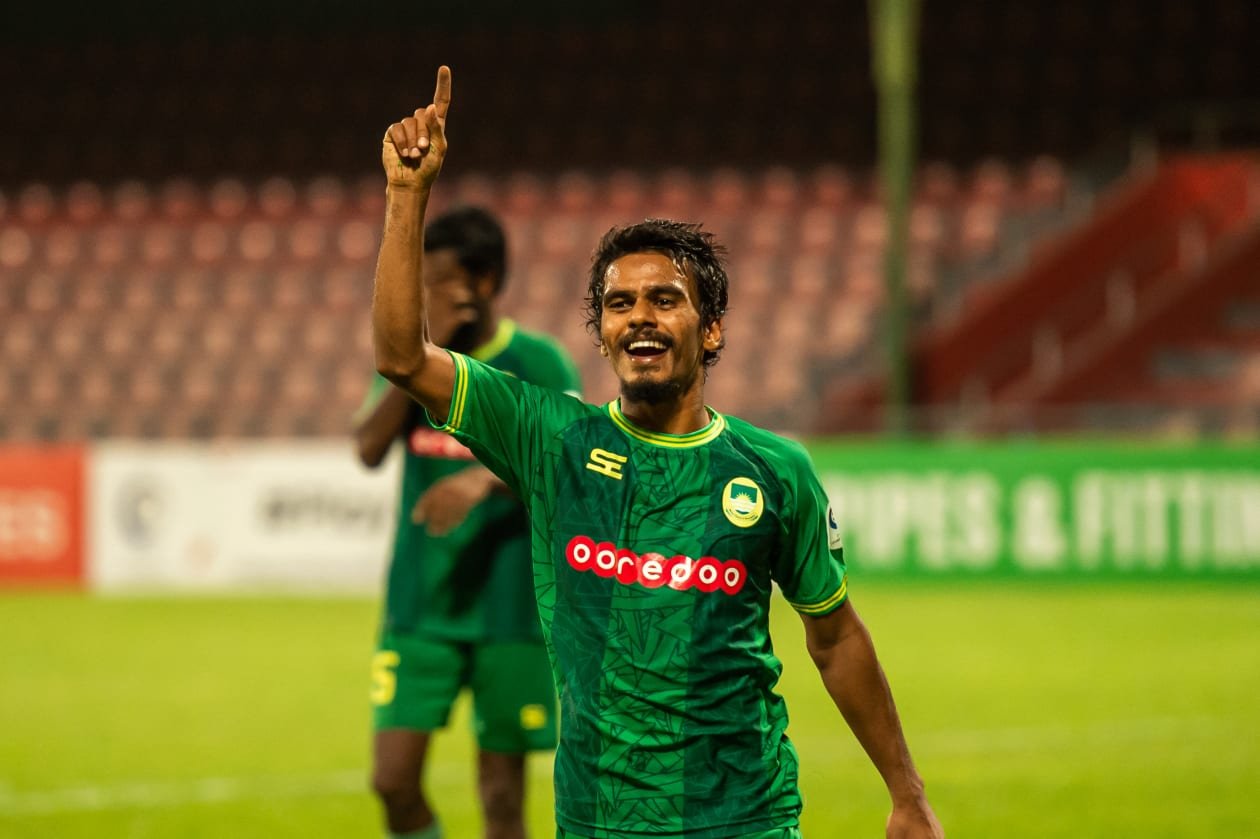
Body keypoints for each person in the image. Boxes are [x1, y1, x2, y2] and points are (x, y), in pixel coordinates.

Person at [372, 66, 944, 839]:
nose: (639, 315)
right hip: (599, 821)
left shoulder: (775, 471)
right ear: (602, 332)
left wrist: (907, 793)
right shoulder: (552, 439)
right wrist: (406, 196)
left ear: (711, 329)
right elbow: (402, 357)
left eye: (665, 299)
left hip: (745, 818)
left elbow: (836, 638)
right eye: (619, 303)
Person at [357, 203, 582, 839]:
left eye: (438, 282)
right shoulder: (419, 365)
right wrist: (415, 367)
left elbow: (570, 462)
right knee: (392, 781)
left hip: (509, 611)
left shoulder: (537, 362)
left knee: (502, 799)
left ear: (482, 282)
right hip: (420, 606)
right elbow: (367, 450)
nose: (425, 296)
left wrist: (483, 480)